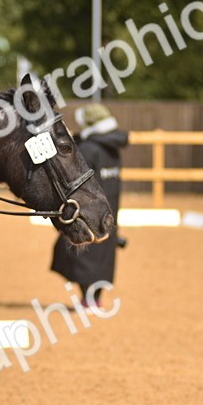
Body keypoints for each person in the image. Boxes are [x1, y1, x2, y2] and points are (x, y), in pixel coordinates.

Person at [51, 103, 129, 308]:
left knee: (81, 250)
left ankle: (88, 299)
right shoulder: (112, 148)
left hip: (87, 212)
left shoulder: (88, 149)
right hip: (110, 209)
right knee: (103, 253)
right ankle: (94, 298)